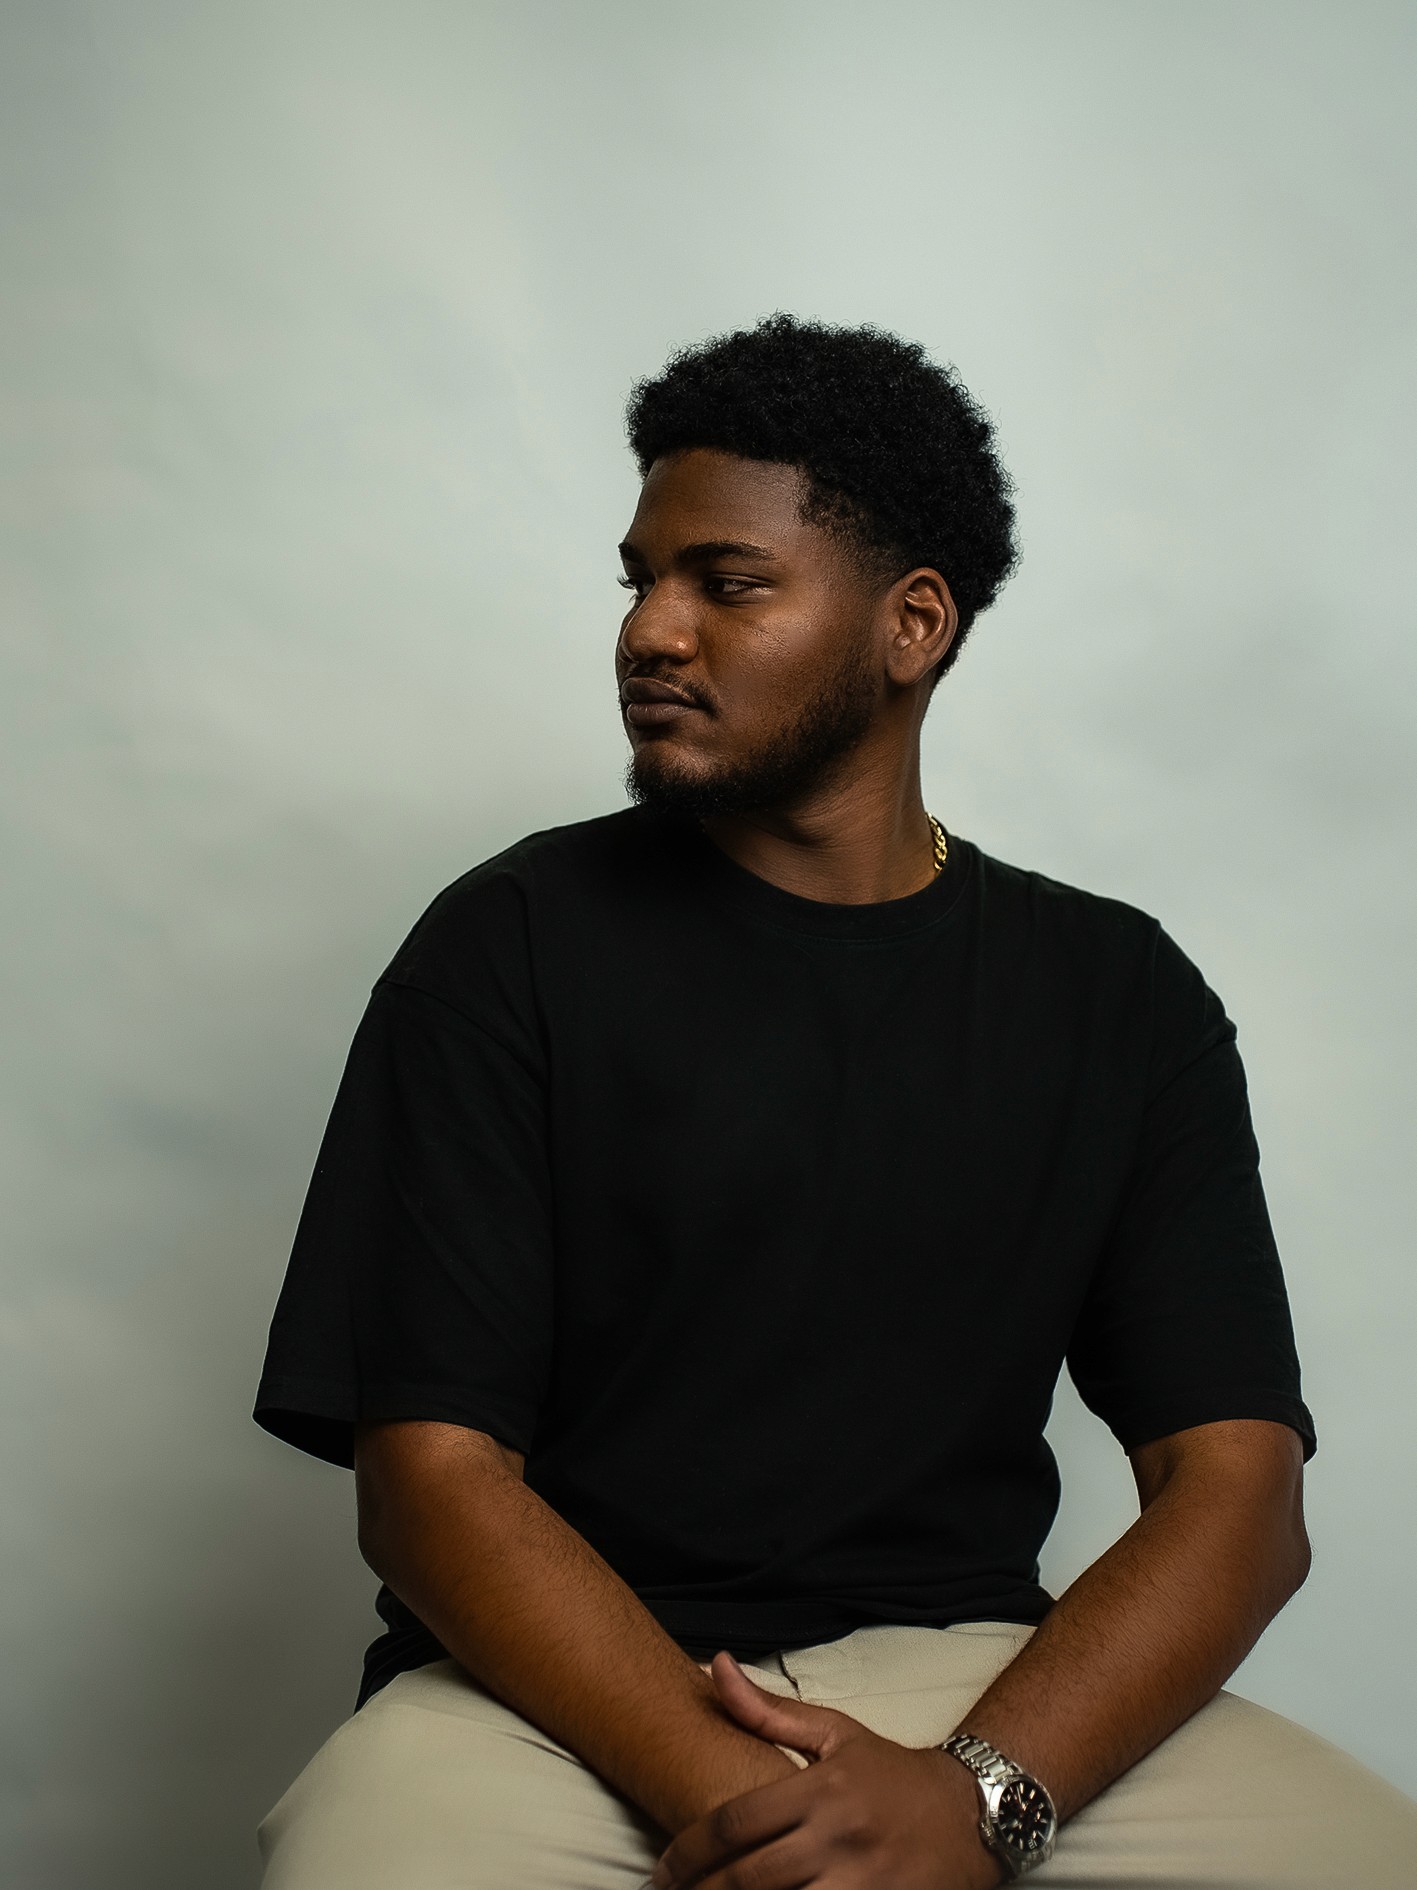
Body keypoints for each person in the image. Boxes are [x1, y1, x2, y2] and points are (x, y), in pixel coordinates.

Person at [252, 315, 1417, 1888]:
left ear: (909, 624)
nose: (650, 631)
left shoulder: (1114, 992)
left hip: (980, 1686)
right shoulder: (506, 948)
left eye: (725, 583)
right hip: (560, 1698)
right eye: (638, 579)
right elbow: (434, 1482)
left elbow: (1235, 1489)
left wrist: (976, 1796)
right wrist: (748, 1807)